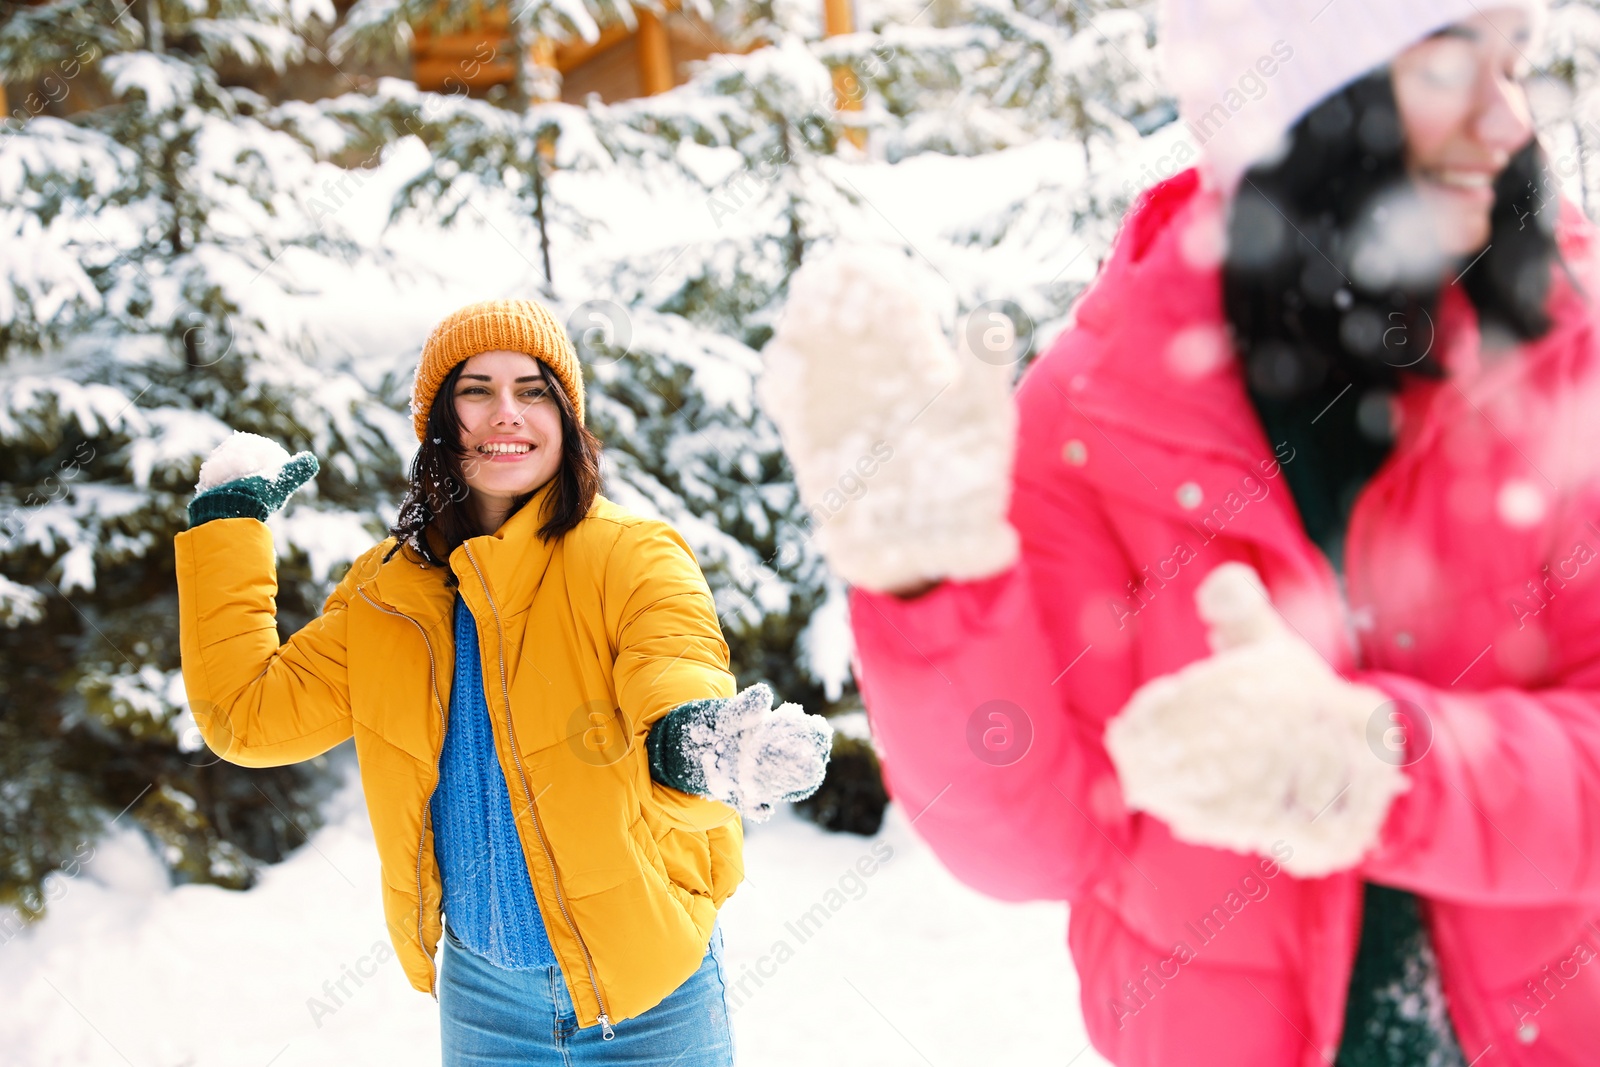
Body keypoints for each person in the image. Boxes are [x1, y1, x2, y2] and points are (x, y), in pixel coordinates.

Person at [761, 1, 1600, 1064]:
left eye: (1512, 63)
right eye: (1446, 70)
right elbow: (1034, 844)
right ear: (1302, 102)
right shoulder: (1101, 406)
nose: (1503, 121)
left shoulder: (1570, 355)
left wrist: (1381, 766)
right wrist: (925, 586)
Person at [174, 298, 833, 1065]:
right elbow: (245, 716)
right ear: (440, 423)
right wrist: (226, 527)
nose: (506, 413)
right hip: (484, 1000)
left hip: (650, 985)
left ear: (566, 415)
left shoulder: (631, 555)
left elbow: (673, 666)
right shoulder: (387, 594)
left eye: (533, 389)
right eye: (475, 389)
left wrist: (697, 743)